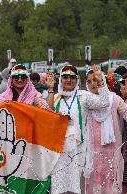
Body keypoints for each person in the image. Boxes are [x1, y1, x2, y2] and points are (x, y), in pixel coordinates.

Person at [46, 64, 110, 194]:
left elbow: (104, 103)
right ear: (61, 80)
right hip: (58, 149)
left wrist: (101, 82)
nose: (69, 80)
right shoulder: (56, 97)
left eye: (72, 77)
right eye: (65, 77)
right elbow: (47, 112)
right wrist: (50, 89)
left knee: (76, 185)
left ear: (77, 80)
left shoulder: (83, 96)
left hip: (78, 147)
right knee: (58, 185)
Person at [85, 69, 127, 193]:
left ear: (102, 80)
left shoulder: (114, 99)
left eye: (96, 80)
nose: (93, 84)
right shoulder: (84, 101)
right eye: (89, 81)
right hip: (90, 154)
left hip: (112, 153)